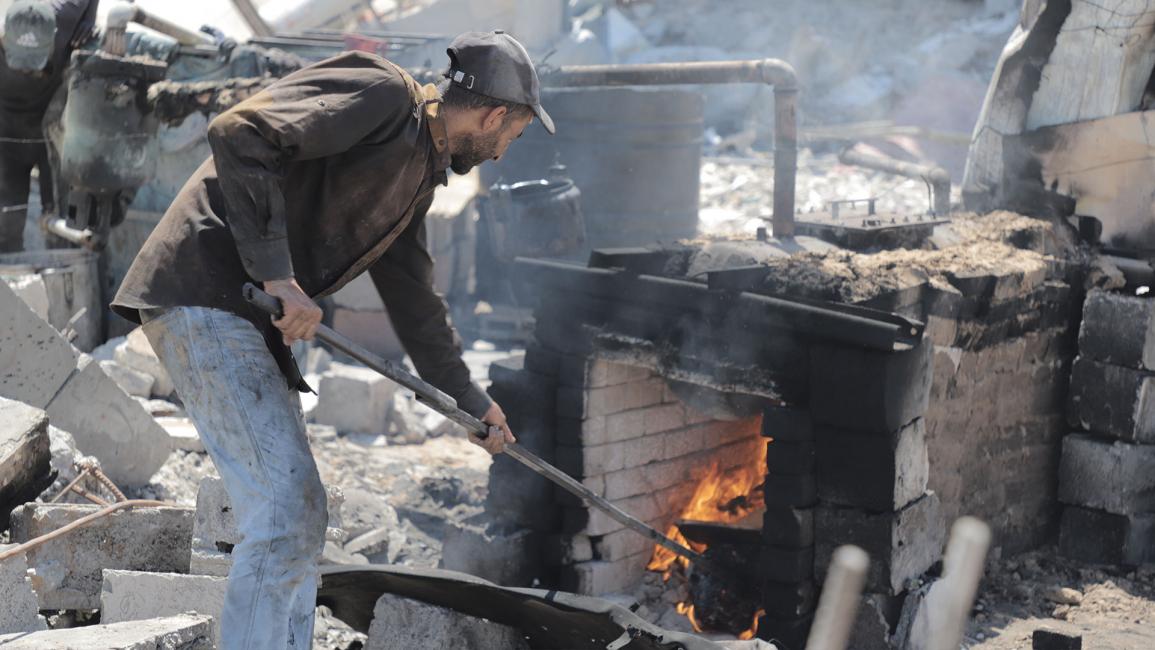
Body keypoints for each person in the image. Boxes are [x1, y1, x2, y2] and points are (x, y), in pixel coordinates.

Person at [111, 30, 553, 650]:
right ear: (495, 113)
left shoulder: (418, 175)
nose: (506, 150)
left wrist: (467, 403)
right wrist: (278, 276)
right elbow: (242, 132)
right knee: (284, 509)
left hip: (246, 315)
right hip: (208, 291)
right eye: (514, 134)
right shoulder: (381, 94)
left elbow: (415, 303)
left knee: (301, 513)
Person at [0, 0, 97, 252]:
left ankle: (67, 278)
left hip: (49, 139)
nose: (27, 70)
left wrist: (90, 19)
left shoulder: (64, 18)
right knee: (5, 228)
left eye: (35, 61)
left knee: (63, 220)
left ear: (54, 37)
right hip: (6, 143)